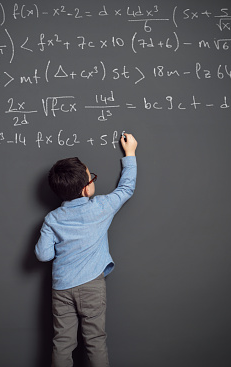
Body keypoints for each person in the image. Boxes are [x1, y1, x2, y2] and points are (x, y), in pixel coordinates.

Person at [35, 133, 138, 367]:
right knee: (95, 341)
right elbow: (126, 189)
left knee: (62, 343)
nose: (93, 179)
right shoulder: (101, 207)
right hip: (92, 286)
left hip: (61, 288)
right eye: (91, 177)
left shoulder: (52, 219)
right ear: (85, 189)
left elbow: (43, 255)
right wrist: (130, 153)